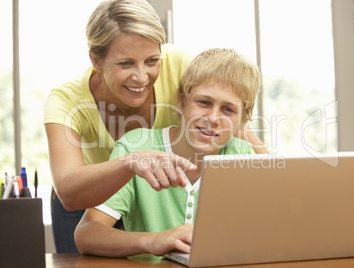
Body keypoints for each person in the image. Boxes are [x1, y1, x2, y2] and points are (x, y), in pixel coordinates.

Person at [44, 0, 267, 253]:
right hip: (87, 190)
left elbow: (226, 98)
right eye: (126, 63)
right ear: (96, 61)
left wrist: (273, 171)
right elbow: (73, 202)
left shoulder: (180, 64)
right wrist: (131, 163)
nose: (141, 77)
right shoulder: (66, 101)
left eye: (152, 60)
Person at [74, 47, 260, 257]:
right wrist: (154, 240)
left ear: (242, 120)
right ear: (181, 101)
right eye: (204, 103)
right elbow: (86, 234)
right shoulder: (136, 147)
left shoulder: (243, 156)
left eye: (228, 110)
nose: (213, 118)